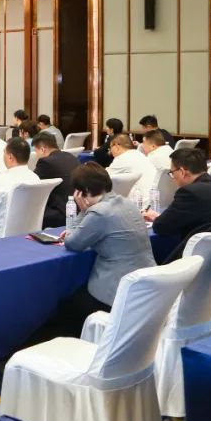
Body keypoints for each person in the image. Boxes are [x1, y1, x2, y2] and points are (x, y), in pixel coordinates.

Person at [50, 163, 156, 336]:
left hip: (114, 290)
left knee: (65, 307)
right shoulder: (127, 203)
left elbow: (73, 243)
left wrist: (83, 211)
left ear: (82, 191)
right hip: (146, 284)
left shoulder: (99, 212)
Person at [145, 147, 211, 243]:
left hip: (203, 252)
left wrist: (158, 219)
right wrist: (161, 217)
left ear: (182, 172)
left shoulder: (190, 192)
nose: (173, 177)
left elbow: (160, 227)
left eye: (172, 173)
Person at [0, 137, 40, 239]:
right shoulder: (36, 178)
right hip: (27, 234)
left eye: (4, 152)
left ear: (10, 157)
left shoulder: (1, 180)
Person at [32, 131, 81, 228]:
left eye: (36, 151)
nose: (36, 155)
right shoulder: (71, 157)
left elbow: (32, 184)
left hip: (60, 213)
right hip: (78, 209)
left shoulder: (45, 162)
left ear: (42, 149)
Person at [106, 133, 158, 202]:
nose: (110, 151)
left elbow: (103, 177)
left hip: (139, 202)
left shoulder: (122, 158)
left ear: (116, 145)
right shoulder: (139, 154)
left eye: (110, 147)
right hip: (153, 199)